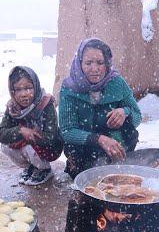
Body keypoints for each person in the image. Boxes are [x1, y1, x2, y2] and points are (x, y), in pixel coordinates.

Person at [59, 37, 142, 179]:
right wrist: (99, 139)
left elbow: (137, 115)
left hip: (112, 139)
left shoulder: (116, 82)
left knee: (130, 131)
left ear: (107, 63)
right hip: (84, 145)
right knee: (85, 178)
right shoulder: (69, 89)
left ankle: (118, 163)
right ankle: (78, 166)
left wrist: (124, 112)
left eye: (100, 63)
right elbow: (67, 131)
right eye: (88, 63)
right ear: (79, 63)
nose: (95, 69)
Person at [0, 66, 63, 186]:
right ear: (12, 91)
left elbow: (51, 137)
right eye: (18, 89)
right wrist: (21, 131)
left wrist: (32, 136)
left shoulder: (46, 104)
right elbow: (1, 134)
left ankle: (44, 169)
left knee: (28, 147)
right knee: (5, 146)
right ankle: (31, 166)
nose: (23, 94)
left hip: (50, 148)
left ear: (36, 86)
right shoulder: (13, 107)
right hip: (30, 144)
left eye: (28, 88)